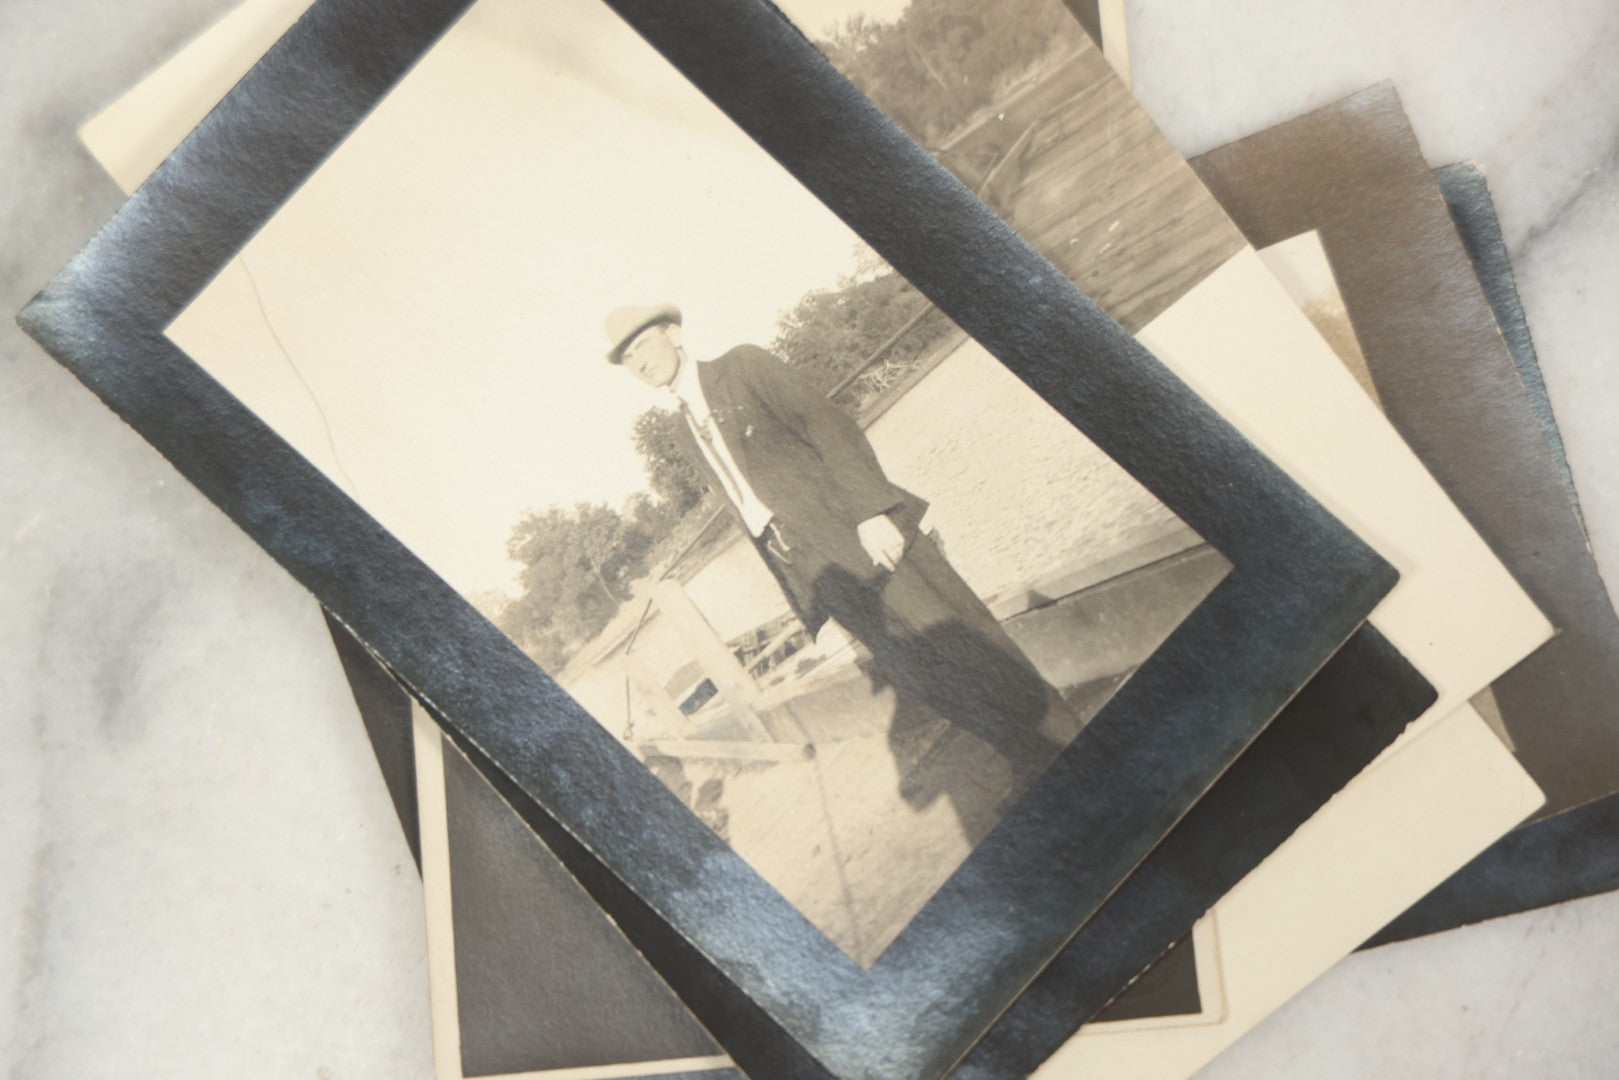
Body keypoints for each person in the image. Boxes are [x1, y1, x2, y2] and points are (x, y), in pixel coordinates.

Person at [605, 303, 1071, 809]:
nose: (640, 362)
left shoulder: (743, 367)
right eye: (628, 358)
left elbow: (828, 425)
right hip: (819, 571)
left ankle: (1073, 748)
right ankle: (1027, 758)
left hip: (862, 536)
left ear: (673, 332)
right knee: (921, 676)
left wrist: (871, 513)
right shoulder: (682, 429)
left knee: (970, 643)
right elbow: (749, 510)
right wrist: (810, 601)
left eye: (644, 345)